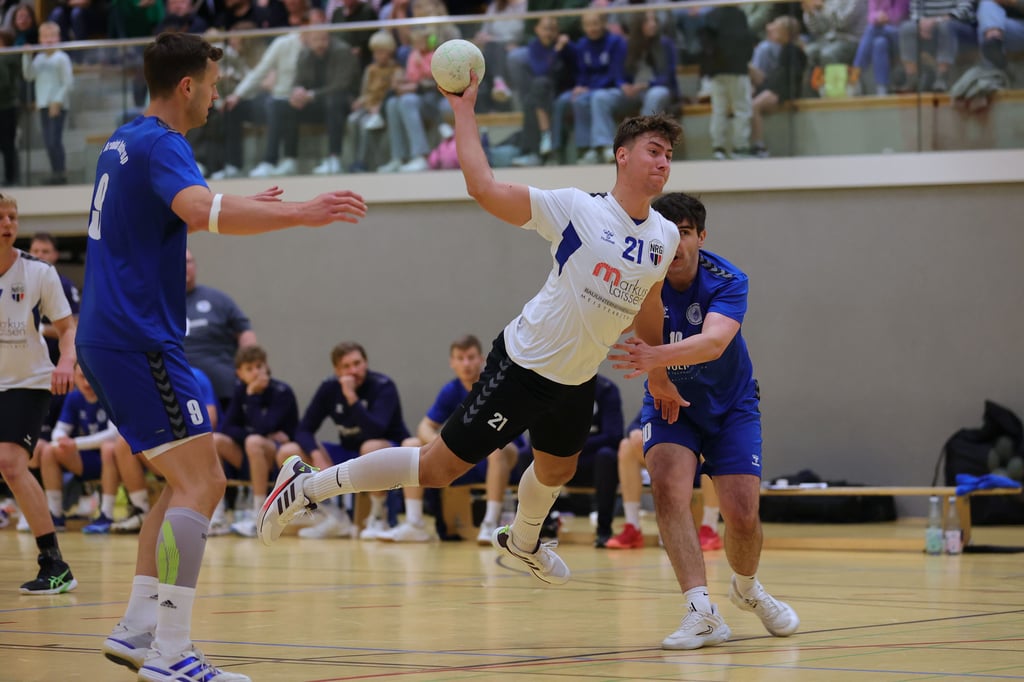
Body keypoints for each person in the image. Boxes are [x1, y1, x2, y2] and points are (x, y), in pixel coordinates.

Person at [258, 73, 682, 590]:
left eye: (668, 156)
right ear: (622, 156)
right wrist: (463, 110)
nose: (663, 163)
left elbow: (650, 301)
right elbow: (484, 187)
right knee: (438, 468)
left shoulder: (663, 235)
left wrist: (658, 373)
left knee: (557, 470)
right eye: (653, 152)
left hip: (576, 376)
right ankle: (307, 486)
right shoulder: (578, 209)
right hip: (523, 366)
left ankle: (522, 540)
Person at [75, 31, 365, 681]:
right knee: (204, 483)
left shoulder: (122, 140)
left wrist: (247, 205)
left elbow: (188, 207)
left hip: (109, 336)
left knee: (180, 483)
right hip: (138, 338)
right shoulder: (163, 143)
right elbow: (201, 210)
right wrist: (303, 213)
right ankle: (172, 653)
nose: (215, 94)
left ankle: (138, 627)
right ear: (186, 86)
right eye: (211, 84)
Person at [608, 192, 799, 650]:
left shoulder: (729, 280)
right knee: (669, 491)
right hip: (669, 402)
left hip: (731, 406)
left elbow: (713, 343)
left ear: (701, 237)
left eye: (685, 233)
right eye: (667, 234)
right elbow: (619, 326)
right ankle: (701, 611)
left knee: (743, 515)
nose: (676, 244)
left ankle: (747, 588)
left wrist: (655, 357)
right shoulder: (640, 276)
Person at [0, 191, 77, 594]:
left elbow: (68, 329)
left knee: (10, 464)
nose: (8, 224)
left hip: (28, 382)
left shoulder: (39, 272)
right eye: (1, 217)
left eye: (12, 217)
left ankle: (54, 563)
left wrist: (67, 362)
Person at [384, 334, 519, 544]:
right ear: (452, 362)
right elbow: (424, 427)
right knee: (411, 444)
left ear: (482, 359)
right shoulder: (451, 390)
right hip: (467, 457)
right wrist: (442, 444)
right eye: (460, 358)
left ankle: (490, 523)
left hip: (503, 455)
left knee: (494, 450)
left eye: (470, 357)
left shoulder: (497, 384)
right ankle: (414, 523)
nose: (466, 364)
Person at [278, 341, 411, 540]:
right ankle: (335, 517)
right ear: (337, 371)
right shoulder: (329, 388)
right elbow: (303, 429)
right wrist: (316, 455)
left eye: (357, 363)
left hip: (387, 451)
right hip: (350, 451)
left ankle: (378, 516)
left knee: (370, 446)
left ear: (366, 363)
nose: (353, 371)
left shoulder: (383, 386)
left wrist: (351, 398)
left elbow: (376, 430)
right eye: (346, 366)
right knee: (289, 452)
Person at [605, 410, 724, 551]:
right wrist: (636, 432)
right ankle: (633, 526)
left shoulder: (702, 401)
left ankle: (710, 527)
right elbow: (636, 423)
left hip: (694, 467)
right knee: (626, 446)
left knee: (711, 448)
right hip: (666, 464)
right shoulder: (661, 399)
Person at [212, 344, 298, 538]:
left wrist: (252, 397)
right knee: (215, 440)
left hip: (278, 461)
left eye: (259, 366)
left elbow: (264, 427)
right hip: (250, 458)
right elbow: (227, 428)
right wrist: (257, 433)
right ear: (239, 373)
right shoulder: (240, 391)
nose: (256, 372)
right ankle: (218, 514)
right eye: (249, 369)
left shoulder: (281, 392)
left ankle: (260, 514)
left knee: (254, 441)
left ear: (267, 367)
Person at [39, 364, 120, 532]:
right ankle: (55, 514)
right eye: (82, 377)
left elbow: (113, 435)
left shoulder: (110, 394)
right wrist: (61, 440)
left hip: (117, 459)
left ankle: (106, 514)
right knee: (49, 451)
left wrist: (75, 444)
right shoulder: (74, 397)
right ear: (74, 377)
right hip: (88, 461)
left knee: (108, 448)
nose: (87, 383)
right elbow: (59, 430)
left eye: (90, 376)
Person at [184, 248, 257, 411]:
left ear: (195, 265)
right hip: (178, 387)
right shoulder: (159, 302)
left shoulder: (218, 300)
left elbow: (245, 331)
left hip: (223, 386)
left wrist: (249, 367)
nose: (183, 267)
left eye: (187, 262)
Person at [749, 15, 807, 158]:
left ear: (785, 33)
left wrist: (775, 94)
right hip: (776, 89)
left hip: (781, 92)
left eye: (775, 27)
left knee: (755, 106)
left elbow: (790, 79)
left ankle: (759, 145)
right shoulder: (785, 49)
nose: (770, 28)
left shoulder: (793, 51)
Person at [21, 21, 72, 184]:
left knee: (54, 141)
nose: (49, 40)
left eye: (52, 36)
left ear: (58, 38)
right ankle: (55, 173)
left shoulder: (62, 58)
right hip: (43, 105)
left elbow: (68, 82)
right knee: (48, 142)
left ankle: (61, 174)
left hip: (57, 106)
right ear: (39, 39)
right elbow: (29, 75)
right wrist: (26, 56)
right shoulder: (39, 58)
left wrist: (57, 101)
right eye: (45, 36)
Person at [29, 232, 80, 364]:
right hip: (25, 361)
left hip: (56, 360)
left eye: (45, 251)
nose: (39, 255)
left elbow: (75, 326)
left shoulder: (65, 286)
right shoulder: (18, 283)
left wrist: (41, 329)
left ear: (55, 255)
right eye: (35, 251)